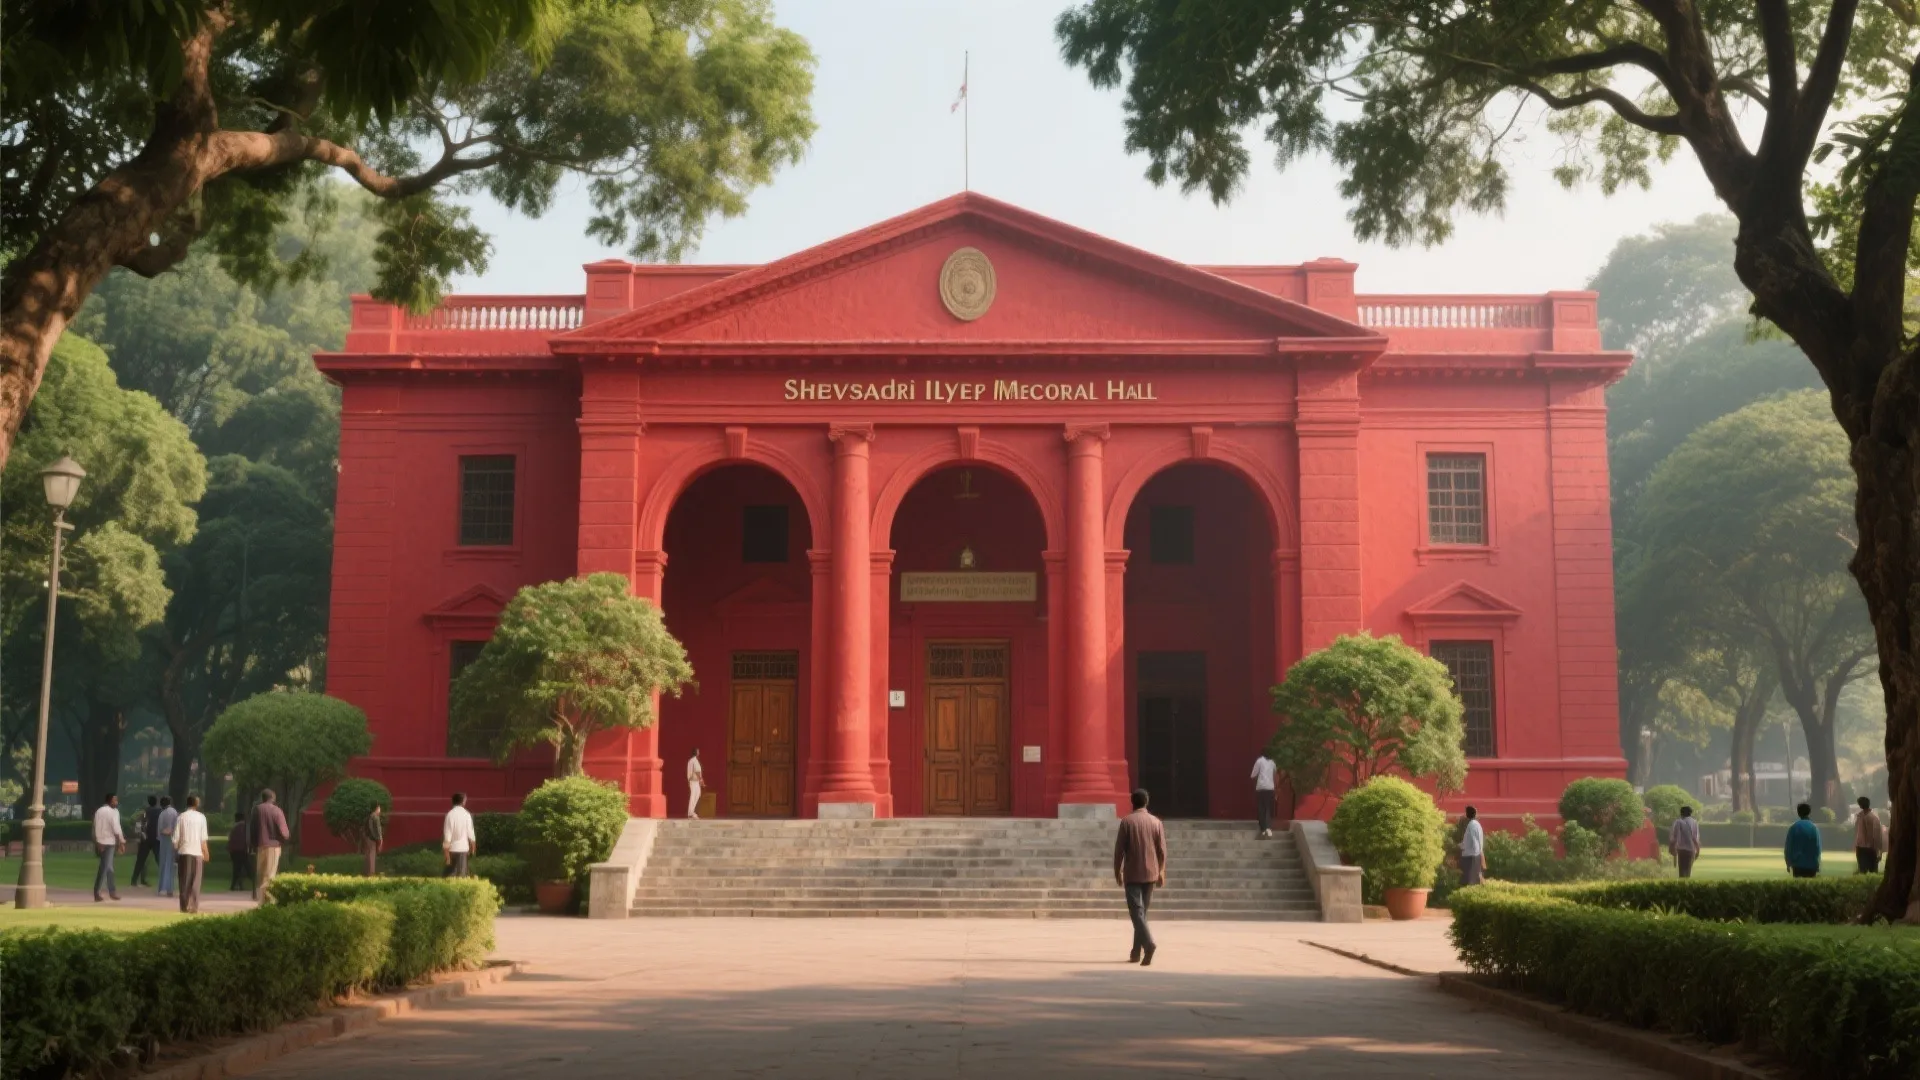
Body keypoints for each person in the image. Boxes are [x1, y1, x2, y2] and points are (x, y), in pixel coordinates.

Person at [1113, 788, 1167, 966]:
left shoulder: (1127, 822)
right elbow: (1162, 850)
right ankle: (1136, 952)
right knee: (1141, 913)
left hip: (1133, 873)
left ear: (1132, 802)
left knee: (1137, 913)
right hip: (1151, 872)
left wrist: (1117, 871)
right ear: (1147, 802)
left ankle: (1148, 944)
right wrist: (1161, 871)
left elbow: (1119, 850)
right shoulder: (1156, 822)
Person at [249, 789, 291, 901]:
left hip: (260, 846)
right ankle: (267, 903)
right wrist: (284, 840)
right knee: (269, 876)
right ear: (273, 799)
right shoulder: (277, 811)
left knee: (261, 875)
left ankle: (261, 901)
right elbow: (284, 833)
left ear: (262, 798)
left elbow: (252, 829)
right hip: (273, 846)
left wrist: (253, 845)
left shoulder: (257, 809)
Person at [172, 795, 210, 914]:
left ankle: (184, 906)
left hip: (184, 852)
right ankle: (194, 906)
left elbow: (175, 839)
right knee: (195, 881)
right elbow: (203, 839)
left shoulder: (181, 817)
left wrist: (178, 849)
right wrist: (206, 852)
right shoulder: (201, 817)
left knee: (184, 881)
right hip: (197, 852)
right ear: (196, 804)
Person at [91, 793, 124, 902]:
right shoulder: (113, 812)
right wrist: (121, 842)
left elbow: (95, 826)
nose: (116, 803)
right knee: (104, 867)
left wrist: (96, 841)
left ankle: (112, 891)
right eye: (115, 801)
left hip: (100, 841)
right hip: (109, 842)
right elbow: (116, 828)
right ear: (110, 801)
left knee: (109, 867)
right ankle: (97, 892)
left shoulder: (99, 811)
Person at [1784, 802, 1822, 878]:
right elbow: (1818, 847)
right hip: (1812, 864)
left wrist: (1788, 863)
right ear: (1809, 812)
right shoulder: (1814, 828)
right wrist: (1817, 864)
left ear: (1798, 813)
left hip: (1798, 864)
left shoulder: (1794, 827)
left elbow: (1788, 846)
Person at [443, 792, 476, 877]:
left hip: (452, 850)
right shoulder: (467, 815)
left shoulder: (450, 815)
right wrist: (473, 849)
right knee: (462, 876)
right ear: (463, 802)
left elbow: (447, 837)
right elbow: (471, 835)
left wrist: (447, 856)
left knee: (450, 877)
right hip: (463, 849)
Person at [1854, 796, 1888, 874]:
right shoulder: (1860, 816)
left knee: (1873, 870)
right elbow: (1858, 833)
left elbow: (1877, 835)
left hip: (1871, 848)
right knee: (1862, 870)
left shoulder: (1873, 818)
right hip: (1861, 847)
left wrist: (1879, 851)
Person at [130, 795, 159, 886]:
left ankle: (134, 880)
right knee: (159, 860)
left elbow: (138, 823)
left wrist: (139, 835)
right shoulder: (160, 812)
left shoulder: (144, 812)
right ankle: (164, 880)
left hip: (145, 838)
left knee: (141, 860)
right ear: (156, 802)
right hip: (156, 839)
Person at [1669, 805, 1702, 879]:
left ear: (1681, 813)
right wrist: (1698, 850)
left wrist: (1672, 848)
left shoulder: (1678, 822)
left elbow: (1675, 837)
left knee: (1682, 872)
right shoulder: (1694, 822)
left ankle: (1682, 887)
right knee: (1688, 871)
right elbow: (1695, 838)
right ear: (1690, 813)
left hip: (1681, 849)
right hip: (1691, 849)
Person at [155, 796, 179, 897]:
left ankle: (163, 887)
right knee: (169, 864)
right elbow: (170, 829)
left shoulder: (163, 813)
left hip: (164, 840)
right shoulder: (173, 812)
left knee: (164, 863)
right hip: (170, 840)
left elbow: (164, 829)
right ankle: (169, 888)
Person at [1250, 752, 1278, 838]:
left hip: (1261, 788)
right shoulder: (1273, 763)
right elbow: (1274, 775)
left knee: (1261, 808)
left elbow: (1253, 775)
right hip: (1270, 788)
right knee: (1268, 807)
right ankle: (1268, 827)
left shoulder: (1259, 761)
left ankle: (1263, 829)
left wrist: (1257, 782)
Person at [1458, 806, 1485, 885]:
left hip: (1470, 856)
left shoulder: (1472, 825)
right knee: (1473, 879)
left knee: (1469, 880)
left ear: (1467, 814)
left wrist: (1461, 846)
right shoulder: (1476, 824)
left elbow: (1474, 841)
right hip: (1474, 855)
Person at [227, 814, 253, 892]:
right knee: (247, 868)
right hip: (242, 850)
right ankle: (254, 883)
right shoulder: (245, 827)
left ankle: (235, 885)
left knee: (237, 868)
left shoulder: (234, 828)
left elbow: (230, 840)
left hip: (234, 851)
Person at [363, 802, 384, 877]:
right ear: (377, 808)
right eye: (379, 808)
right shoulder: (375, 817)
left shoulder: (369, 816)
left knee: (367, 855)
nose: (380, 810)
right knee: (372, 855)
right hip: (372, 838)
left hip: (367, 837)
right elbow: (378, 829)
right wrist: (380, 839)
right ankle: (371, 873)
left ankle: (366, 872)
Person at [687, 749, 704, 820]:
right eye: (698, 751)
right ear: (696, 753)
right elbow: (697, 771)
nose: (699, 752)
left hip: (694, 781)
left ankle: (691, 811)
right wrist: (701, 780)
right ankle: (691, 812)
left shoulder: (691, 760)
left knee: (697, 795)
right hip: (694, 781)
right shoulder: (694, 761)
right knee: (694, 796)